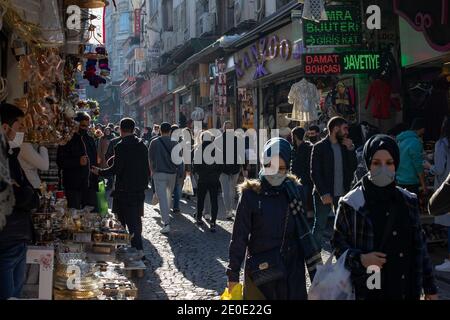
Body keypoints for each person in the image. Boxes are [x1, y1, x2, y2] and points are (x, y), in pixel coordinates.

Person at [331, 134, 438, 300]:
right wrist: (361, 259)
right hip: (369, 290)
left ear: (396, 165)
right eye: (376, 163)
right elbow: (338, 245)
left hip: (406, 289)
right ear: (368, 164)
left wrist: (430, 288)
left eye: (389, 163)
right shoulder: (351, 204)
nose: (383, 168)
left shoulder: (408, 201)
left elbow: (420, 247)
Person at [227, 137, 321, 299]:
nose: (275, 172)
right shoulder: (251, 194)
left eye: (281, 168)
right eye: (270, 166)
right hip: (261, 271)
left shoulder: (294, 192)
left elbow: (304, 234)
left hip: (292, 272)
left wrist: (318, 276)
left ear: (288, 168)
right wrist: (233, 274)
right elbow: (239, 237)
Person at [91, 118, 149, 258]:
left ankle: (122, 248)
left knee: (121, 222)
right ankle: (138, 249)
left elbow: (116, 169)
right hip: (138, 190)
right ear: (133, 129)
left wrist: (99, 171)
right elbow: (146, 169)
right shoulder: (142, 145)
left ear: (121, 130)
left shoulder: (121, 146)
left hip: (123, 190)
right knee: (135, 220)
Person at [0, 103, 39, 299]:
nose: (20, 131)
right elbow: (18, 194)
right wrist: (24, 192)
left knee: (15, 291)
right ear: (5, 127)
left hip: (17, 235)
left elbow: (29, 193)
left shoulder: (9, 154)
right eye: (19, 126)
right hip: (8, 236)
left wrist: (24, 191)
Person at [310, 116, 357, 249]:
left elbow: (352, 167)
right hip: (324, 194)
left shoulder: (345, 146)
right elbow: (315, 172)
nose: (347, 132)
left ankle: (341, 256)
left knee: (343, 228)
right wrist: (323, 193)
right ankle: (315, 259)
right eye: (344, 128)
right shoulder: (319, 147)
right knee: (320, 226)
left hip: (342, 194)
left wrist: (350, 149)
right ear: (335, 129)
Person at [57, 112, 98, 210]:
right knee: (73, 216)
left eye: (88, 126)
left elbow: (94, 161)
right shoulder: (67, 140)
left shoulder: (90, 140)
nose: (86, 128)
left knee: (90, 218)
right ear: (76, 124)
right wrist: (77, 161)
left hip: (90, 186)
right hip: (73, 186)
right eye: (83, 125)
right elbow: (60, 161)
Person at [149, 122, 178, 234]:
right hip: (172, 173)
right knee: (168, 196)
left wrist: (152, 171)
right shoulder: (175, 142)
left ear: (160, 130)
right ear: (170, 131)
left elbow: (150, 158)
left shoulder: (154, 142)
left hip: (159, 173)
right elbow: (178, 160)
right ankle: (166, 219)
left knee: (163, 199)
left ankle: (166, 223)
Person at [193, 131, 223, 232]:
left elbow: (195, 166)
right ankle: (213, 222)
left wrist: (200, 174)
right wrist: (216, 175)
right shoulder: (217, 150)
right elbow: (221, 166)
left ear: (202, 139)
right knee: (214, 200)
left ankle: (199, 218)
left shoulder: (198, 150)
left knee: (200, 199)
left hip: (202, 179)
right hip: (214, 179)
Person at [396, 118, 427, 196]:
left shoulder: (401, 140)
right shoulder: (415, 142)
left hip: (399, 180)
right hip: (410, 182)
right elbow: (418, 165)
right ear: (422, 129)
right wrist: (424, 185)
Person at [218, 121, 242, 220]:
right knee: (231, 190)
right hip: (233, 167)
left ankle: (229, 210)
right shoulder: (237, 139)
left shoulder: (218, 140)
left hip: (224, 168)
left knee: (226, 190)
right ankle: (231, 210)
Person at [290, 127, 313, 205]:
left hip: (304, 181)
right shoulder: (296, 149)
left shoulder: (306, 148)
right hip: (298, 180)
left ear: (295, 136)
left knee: (303, 204)